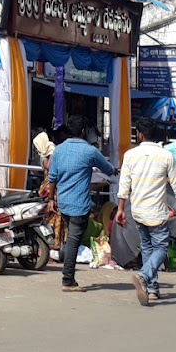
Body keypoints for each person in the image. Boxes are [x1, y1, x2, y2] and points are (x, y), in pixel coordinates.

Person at [117, 117, 176, 306]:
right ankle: (143, 276)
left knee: (147, 249)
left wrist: (120, 209)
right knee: (161, 248)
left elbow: (124, 185)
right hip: (158, 211)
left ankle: (153, 290)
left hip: (138, 211)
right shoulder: (166, 155)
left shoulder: (130, 155)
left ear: (140, 135)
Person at [47, 114, 115, 292]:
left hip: (64, 204)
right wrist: (115, 170)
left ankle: (69, 278)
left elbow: (52, 177)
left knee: (72, 238)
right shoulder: (90, 151)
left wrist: (51, 200)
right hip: (80, 205)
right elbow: (107, 169)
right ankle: (67, 280)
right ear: (84, 131)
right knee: (73, 241)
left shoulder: (59, 150)